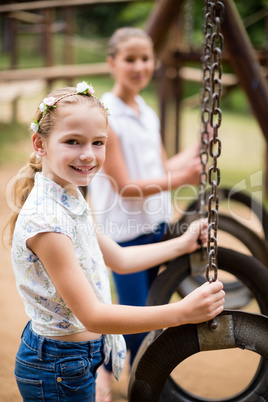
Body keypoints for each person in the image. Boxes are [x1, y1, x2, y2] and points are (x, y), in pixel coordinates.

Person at [8, 82, 225, 402]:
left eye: (99, 142)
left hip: (75, 358)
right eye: (73, 142)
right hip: (56, 366)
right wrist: (181, 312)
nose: (88, 155)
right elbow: (93, 315)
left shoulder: (67, 193)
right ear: (40, 144)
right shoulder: (47, 222)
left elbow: (118, 258)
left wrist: (182, 244)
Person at [89, 27, 204, 400]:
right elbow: (125, 185)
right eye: (130, 59)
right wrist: (180, 177)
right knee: (136, 319)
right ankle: (132, 382)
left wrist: (193, 153)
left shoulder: (147, 111)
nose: (140, 66)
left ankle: (108, 374)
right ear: (112, 63)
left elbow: (161, 167)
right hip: (124, 231)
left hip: (155, 226)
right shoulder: (106, 117)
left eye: (146, 59)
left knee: (148, 309)